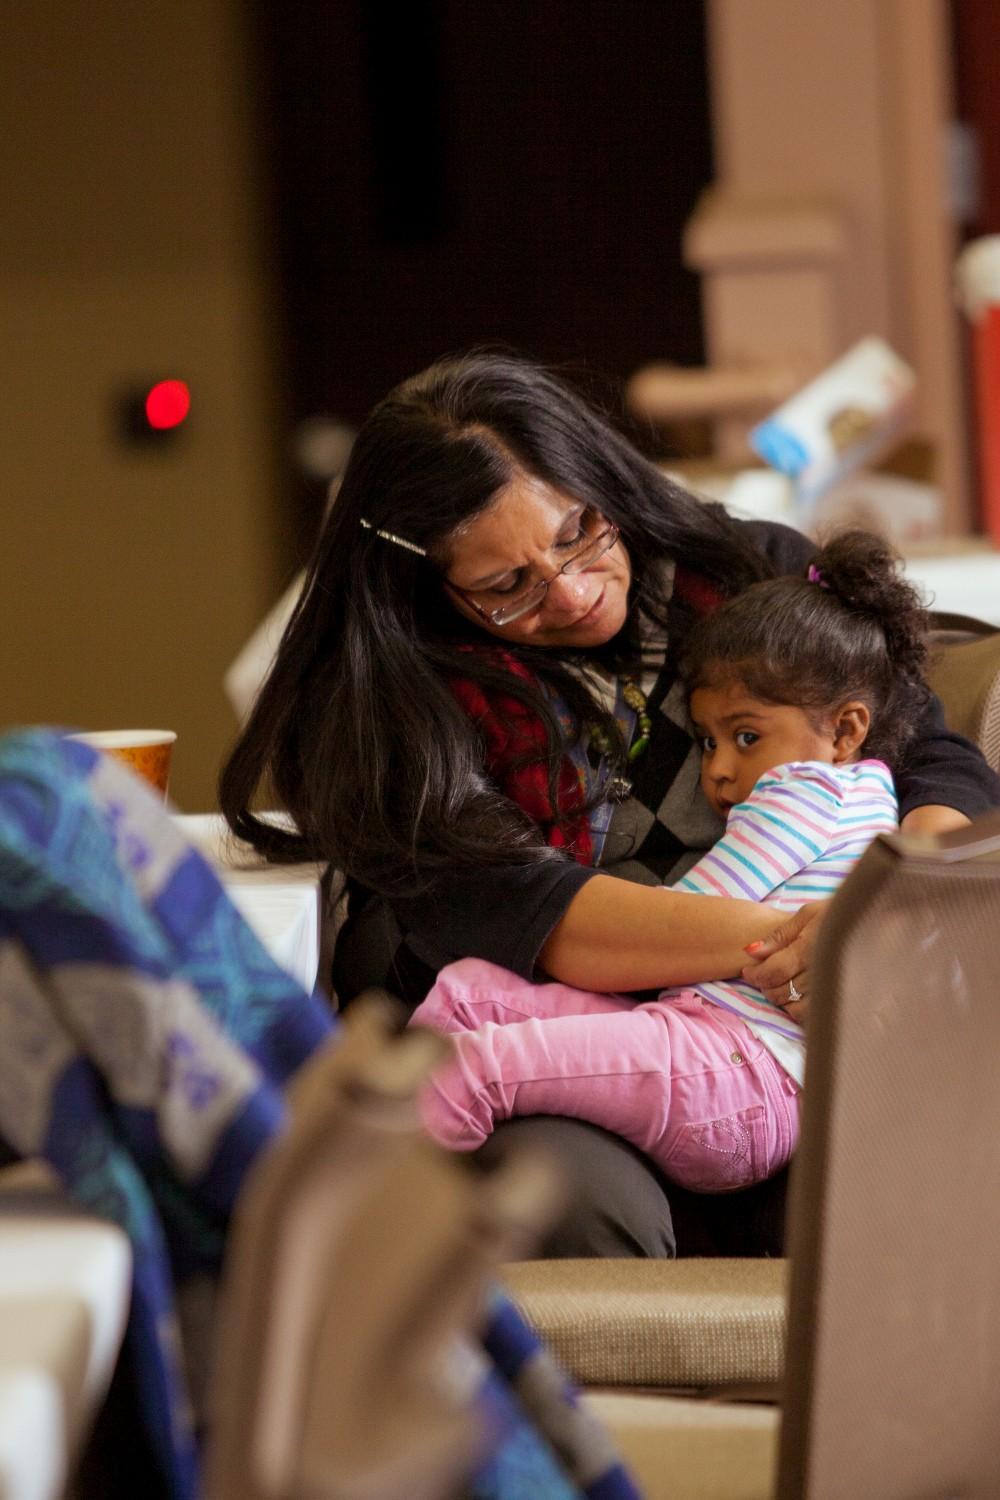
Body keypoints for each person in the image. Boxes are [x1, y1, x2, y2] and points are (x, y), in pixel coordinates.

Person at [219, 350, 1000, 1258]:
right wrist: (812, 942)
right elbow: (533, 915)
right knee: (569, 1198)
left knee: (921, 1167)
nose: (574, 592)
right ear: (430, 587)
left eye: (579, 532)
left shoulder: (755, 577)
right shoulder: (402, 705)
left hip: (799, 1026)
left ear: (602, 480)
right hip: (575, 1027)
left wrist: (903, 906)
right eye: (507, 587)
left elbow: (930, 756)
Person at [410, 531, 917, 1188]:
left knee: (477, 1067)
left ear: (845, 730)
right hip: (707, 1044)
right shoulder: (866, 792)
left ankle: (372, 1217)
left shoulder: (806, 790)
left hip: (743, 1073)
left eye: (746, 736)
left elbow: (687, 914)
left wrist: (592, 930)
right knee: (468, 991)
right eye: (709, 742)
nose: (720, 769)